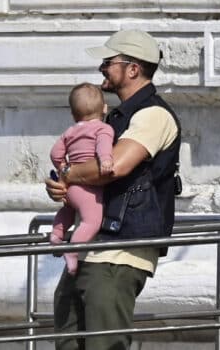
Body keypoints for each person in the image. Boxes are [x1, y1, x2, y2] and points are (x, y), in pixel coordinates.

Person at [45, 29, 181, 350]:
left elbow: (114, 167)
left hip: (120, 253)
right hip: (93, 247)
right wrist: (65, 188)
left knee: (103, 346)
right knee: (66, 341)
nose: (102, 68)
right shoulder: (115, 118)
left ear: (133, 69)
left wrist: (68, 174)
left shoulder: (153, 115)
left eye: (109, 62)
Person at [49, 82, 114, 275]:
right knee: (91, 221)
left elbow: (55, 153)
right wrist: (105, 161)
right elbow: (103, 146)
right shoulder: (103, 129)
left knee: (68, 209)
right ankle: (72, 251)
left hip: (70, 185)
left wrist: (61, 167)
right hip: (88, 188)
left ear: (73, 114)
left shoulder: (69, 132)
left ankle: (56, 234)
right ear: (105, 108)